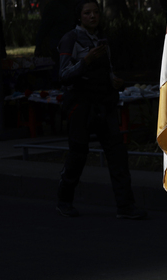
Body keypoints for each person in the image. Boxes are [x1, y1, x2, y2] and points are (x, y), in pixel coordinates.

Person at [56, 0, 146, 219]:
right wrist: (85, 61)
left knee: (117, 154)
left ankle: (125, 206)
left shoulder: (103, 40)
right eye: (87, 13)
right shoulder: (71, 39)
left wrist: (115, 81)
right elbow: (64, 75)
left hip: (104, 104)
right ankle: (64, 200)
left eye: (96, 12)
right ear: (79, 16)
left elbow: (108, 71)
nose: (93, 16)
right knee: (77, 154)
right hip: (81, 106)